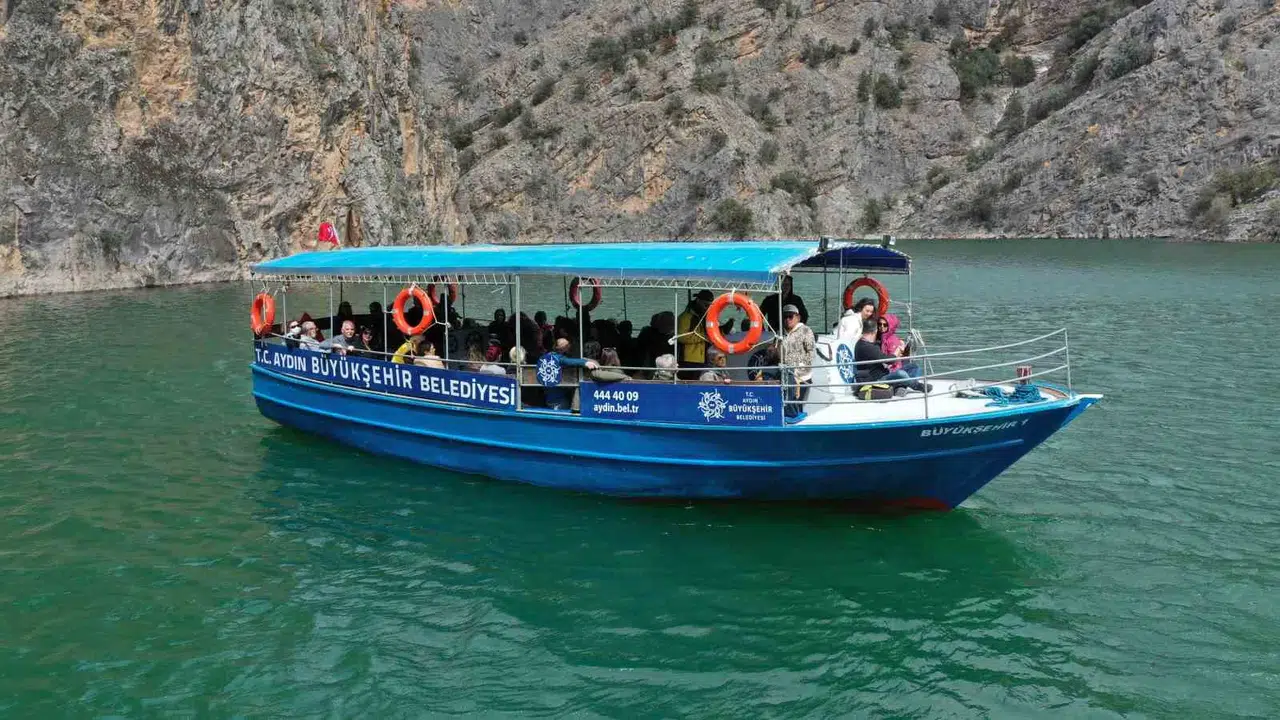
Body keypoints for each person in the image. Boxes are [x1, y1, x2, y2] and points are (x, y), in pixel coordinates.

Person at [854, 318, 928, 394]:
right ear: (875, 330)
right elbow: (889, 361)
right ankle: (917, 386)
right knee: (901, 374)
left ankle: (901, 387)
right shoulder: (868, 347)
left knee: (914, 367)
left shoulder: (862, 343)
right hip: (877, 380)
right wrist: (897, 352)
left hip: (884, 373)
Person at [543, 338, 599, 410]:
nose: (569, 346)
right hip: (557, 396)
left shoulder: (548, 355)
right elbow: (568, 361)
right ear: (562, 348)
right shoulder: (557, 357)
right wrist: (585, 362)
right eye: (567, 345)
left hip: (550, 393)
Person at [780, 305, 815, 420]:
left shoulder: (806, 331)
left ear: (798, 317)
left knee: (797, 408)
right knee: (785, 407)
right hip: (785, 377)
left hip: (801, 378)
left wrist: (799, 371)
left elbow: (811, 354)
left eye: (790, 316)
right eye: (785, 317)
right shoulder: (780, 333)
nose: (787, 319)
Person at [677, 290, 713, 377]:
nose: (707, 308)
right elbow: (681, 337)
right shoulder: (686, 317)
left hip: (704, 358)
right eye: (705, 305)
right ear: (698, 301)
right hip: (688, 360)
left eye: (710, 306)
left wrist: (724, 330)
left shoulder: (705, 316)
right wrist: (704, 337)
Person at [877, 313, 922, 379]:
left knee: (914, 368)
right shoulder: (880, 338)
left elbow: (893, 361)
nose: (882, 326)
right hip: (886, 369)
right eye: (879, 324)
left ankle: (910, 382)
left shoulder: (892, 340)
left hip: (892, 370)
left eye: (885, 325)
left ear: (890, 326)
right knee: (914, 368)